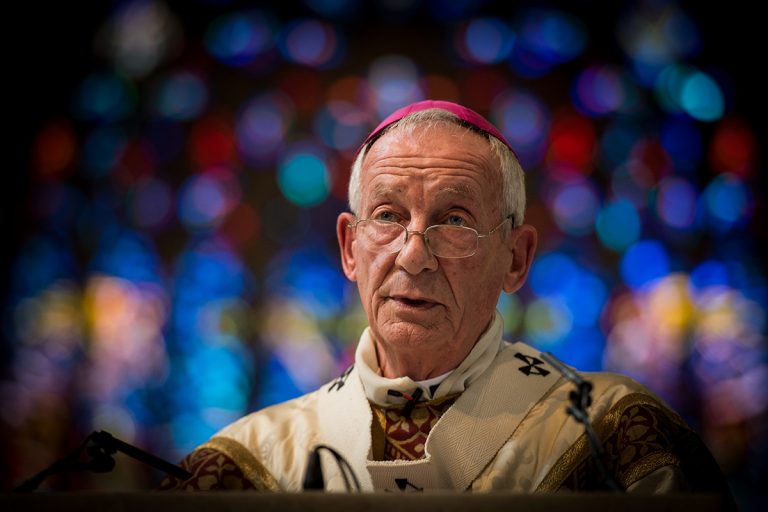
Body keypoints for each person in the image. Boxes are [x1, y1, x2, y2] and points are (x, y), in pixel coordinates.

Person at [159, 100, 734, 501]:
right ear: (350, 248)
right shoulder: (246, 464)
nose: (414, 256)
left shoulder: (618, 437)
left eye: (455, 220)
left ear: (516, 259)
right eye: (387, 216)